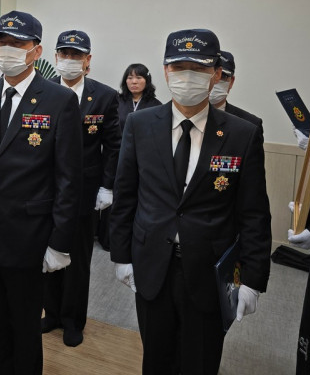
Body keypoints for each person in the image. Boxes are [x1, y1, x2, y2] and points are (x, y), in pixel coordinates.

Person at [109, 28, 271, 375]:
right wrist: (121, 256)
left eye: (197, 68)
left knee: (199, 362)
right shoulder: (140, 124)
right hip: (152, 265)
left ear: (216, 73)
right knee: (156, 359)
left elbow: (254, 213)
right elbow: (125, 196)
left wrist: (253, 279)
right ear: (166, 71)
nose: (187, 76)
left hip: (208, 272)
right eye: (179, 67)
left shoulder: (242, 133)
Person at [0, 10, 82, 374]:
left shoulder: (59, 99)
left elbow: (68, 178)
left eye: (17, 43)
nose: (7, 49)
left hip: (29, 235)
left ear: (36, 50)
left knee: (25, 328)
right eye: (2, 42)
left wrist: (60, 243)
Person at [43, 30, 121, 347]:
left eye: (76, 55)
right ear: (55, 57)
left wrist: (107, 186)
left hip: (85, 193)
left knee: (77, 259)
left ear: (87, 60)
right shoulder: (43, 91)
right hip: (46, 191)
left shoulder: (104, 96)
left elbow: (114, 146)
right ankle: (51, 313)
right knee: (47, 253)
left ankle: (73, 320)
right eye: (65, 54)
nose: (70, 60)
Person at [210, 51, 264, 137]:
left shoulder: (251, 124)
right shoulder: (187, 119)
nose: (215, 80)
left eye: (222, 76)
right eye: (211, 75)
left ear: (231, 82)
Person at [117, 63, 161, 132]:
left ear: (147, 80)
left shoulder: (156, 106)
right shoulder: (116, 102)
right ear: (125, 81)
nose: (134, 82)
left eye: (138, 78)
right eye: (130, 78)